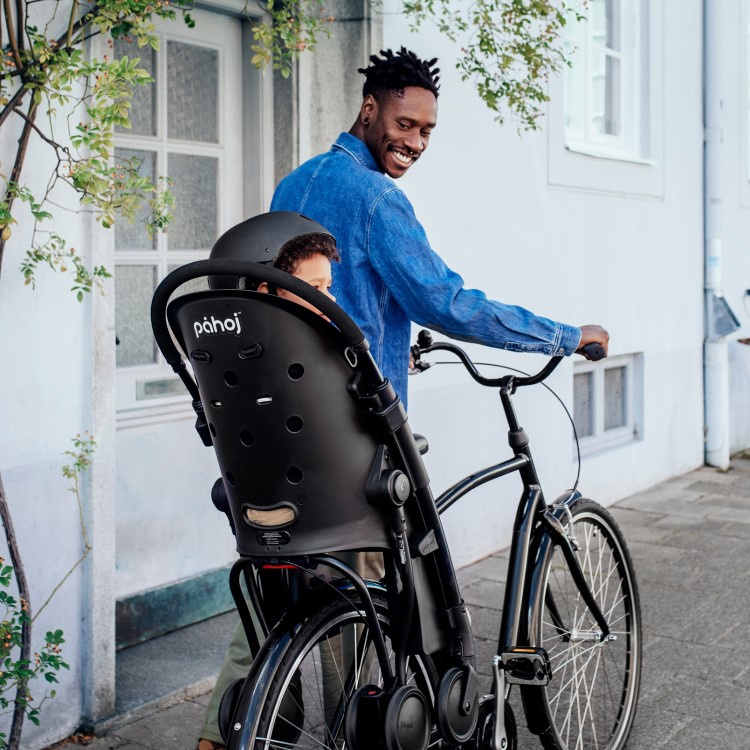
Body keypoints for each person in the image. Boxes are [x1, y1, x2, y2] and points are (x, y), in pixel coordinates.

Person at [198, 46, 609, 750]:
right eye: (405, 123)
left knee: (287, 578)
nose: (414, 142)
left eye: (426, 132)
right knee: (382, 596)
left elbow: (308, 297)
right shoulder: (378, 199)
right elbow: (444, 299)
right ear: (369, 109)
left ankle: (225, 730)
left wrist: (393, 332)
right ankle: (359, 729)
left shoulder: (294, 182)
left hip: (277, 425)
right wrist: (563, 335)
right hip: (352, 428)